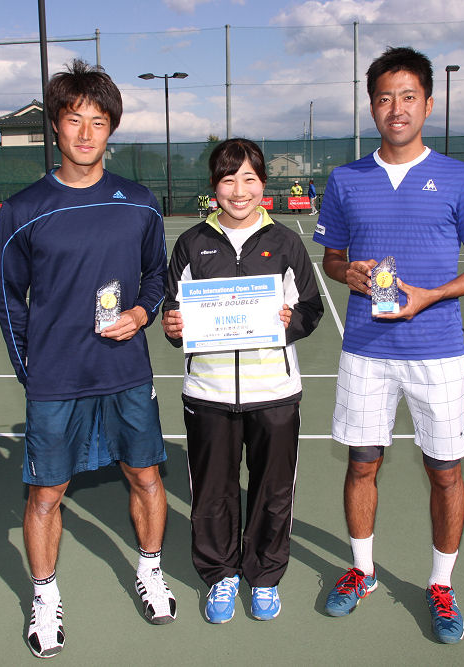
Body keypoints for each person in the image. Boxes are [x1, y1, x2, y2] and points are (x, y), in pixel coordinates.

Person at [312, 46, 464, 644]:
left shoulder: (462, 178)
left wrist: (430, 296)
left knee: (445, 471)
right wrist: (348, 272)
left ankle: (441, 584)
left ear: (428, 104)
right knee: (362, 463)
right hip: (365, 351)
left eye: (408, 96)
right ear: (372, 107)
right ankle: (362, 571)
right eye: (385, 98)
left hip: (437, 351)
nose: (397, 108)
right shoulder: (346, 180)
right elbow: (331, 259)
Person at [0, 59, 175, 658]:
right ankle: (45, 597)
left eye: (98, 121)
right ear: (55, 125)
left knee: (145, 476)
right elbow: (9, 300)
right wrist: (33, 373)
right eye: (74, 119)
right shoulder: (23, 208)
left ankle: (150, 570)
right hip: (56, 381)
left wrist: (142, 313)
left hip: (127, 374)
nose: (86, 133)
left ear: (111, 128)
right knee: (46, 494)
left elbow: (157, 275)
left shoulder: (140, 202)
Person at [161, 138, 323, 623]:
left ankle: (266, 576)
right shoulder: (191, 243)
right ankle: (221, 574)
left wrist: (289, 321)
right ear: (214, 187)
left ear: (263, 184)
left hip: (274, 392)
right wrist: (173, 324)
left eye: (249, 178)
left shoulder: (286, 242)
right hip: (208, 394)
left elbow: (311, 306)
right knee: (213, 493)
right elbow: (173, 308)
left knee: (273, 492)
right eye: (228, 179)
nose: (239, 190)